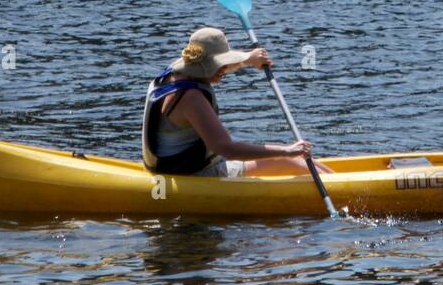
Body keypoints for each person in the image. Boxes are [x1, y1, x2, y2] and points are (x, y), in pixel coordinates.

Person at [141, 26, 331, 177]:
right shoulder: (191, 98)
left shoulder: (172, 75)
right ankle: (344, 191)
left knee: (306, 160)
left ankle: (339, 181)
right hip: (194, 174)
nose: (223, 71)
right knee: (290, 160)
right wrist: (287, 150)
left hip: (168, 167)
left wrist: (248, 59)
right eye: (220, 66)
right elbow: (227, 150)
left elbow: (212, 66)